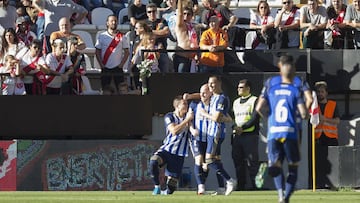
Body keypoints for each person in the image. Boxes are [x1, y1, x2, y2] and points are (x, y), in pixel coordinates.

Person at [256, 55, 309, 203]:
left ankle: (279, 192)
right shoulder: (295, 88)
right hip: (291, 132)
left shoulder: (271, 85)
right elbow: (304, 112)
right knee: (293, 167)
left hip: (274, 132)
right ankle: (285, 198)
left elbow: (259, 107)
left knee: (276, 163)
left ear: (280, 66)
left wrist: (269, 118)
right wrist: (304, 116)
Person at [199, 75, 236, 196]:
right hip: (211, 132)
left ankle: (230, 181)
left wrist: (204, 114)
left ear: (219, 83)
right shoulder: (213, 96)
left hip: (216, 132)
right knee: (216, 160)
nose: (210, 86)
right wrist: (188, 96)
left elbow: (216, 118)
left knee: (209, 160)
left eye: (213, 83)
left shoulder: (222, 98)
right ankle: (221, 189)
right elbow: (228, 118)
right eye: (209, 83)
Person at [149, 95, 194, 195]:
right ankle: (157, 187)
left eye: (187, 103)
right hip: (167, 150)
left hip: (179, 154)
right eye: (184, 104)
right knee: (153, 161)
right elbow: (174, 131)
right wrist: (186, 120)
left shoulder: (191, 119)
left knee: (171, 188)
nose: (187, 106)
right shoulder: (169, 116)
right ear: (177, 106)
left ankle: (165, 194)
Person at [232, 79, 260, 191]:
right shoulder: (235, 102)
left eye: (241, 87)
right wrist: (234, 127)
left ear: (248, 88)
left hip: (250, 135)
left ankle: (255, 185)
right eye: (238, 87)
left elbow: (255, 117)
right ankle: (241, 185)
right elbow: (233, 117)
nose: (239, 89)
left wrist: (242, 128)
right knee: (238, 161)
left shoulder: (254, 100)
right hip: (237, 137)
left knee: (252, 162)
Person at [95, 15, 130, 95]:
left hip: (118, 68)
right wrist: (101, 65)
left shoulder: (122, 37)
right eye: (112, 21)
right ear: (107, 23)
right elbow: (97, 52)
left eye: (115, 21)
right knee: (105, 90)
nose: (114, 23)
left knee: (121, 91)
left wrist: (121, 65)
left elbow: (127, 52)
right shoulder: (102, 36)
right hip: (105, 67)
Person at [188, 83, 212, 195]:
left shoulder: (214, 104)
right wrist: (192, 130)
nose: (202, 94)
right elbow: (189, 119)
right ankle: (201, 187)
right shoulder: (194, 104)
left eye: (205, 91)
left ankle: (202, 183)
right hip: (196, 138)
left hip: (209, 138)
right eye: (201, 91)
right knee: (198, 160)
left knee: (206, 165)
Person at [145, 3, 172, 73]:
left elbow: (166, 32)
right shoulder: (144, 23)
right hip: (149, 51)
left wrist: (151, 33)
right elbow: (145, 34)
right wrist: (160, 32)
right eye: (149, 12)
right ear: (147, 13)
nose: (152, 13)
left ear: (156, 12)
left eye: (154, 11)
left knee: (165, 72)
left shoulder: (162, 21)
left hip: (162, 50)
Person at [173, 0, 198, 73]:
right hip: (181, 57)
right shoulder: (180, 25)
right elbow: (180, 14)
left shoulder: (193, 27)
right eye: (185, 14)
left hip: (192, 59)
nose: (186, 16)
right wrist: (180, 1)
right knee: (180, 80)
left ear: (191, 16)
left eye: (188, 14)